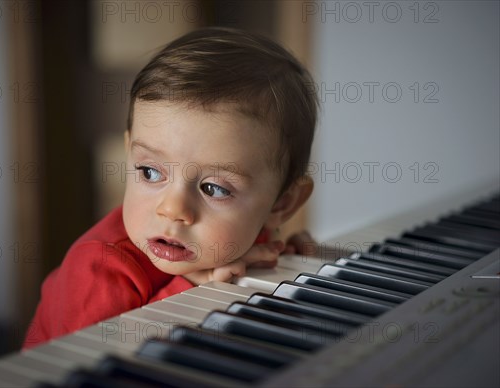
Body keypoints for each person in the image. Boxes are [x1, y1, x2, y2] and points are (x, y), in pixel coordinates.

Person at [23, 27, 318, 349]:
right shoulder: (101, 268)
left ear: (281, 205)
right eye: (150, 171)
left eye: (214, 189)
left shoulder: (238, 235)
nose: (172, 209)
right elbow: (92, 367)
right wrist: (190, 291)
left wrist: (293, 265)